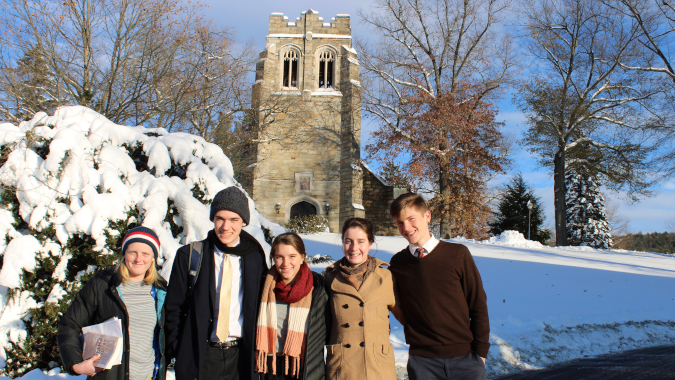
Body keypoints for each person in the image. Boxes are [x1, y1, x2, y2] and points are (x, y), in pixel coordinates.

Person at [164, 186, 268, 380]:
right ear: (213, 218)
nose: (225, 227)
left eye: (234, 220)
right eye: (220, 218)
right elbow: (173, 308)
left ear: (244, 222)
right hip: (201, 356)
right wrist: (178, 349)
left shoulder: (254, 258)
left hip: (241, 358)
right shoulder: (190, 256)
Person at [388, 193, 490, 380]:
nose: (406, 228)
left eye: (411, 219)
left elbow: (478, 304)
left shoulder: (458, 254)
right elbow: (397, 306)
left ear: (427, 216)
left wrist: (481, 353)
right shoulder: (398, 263)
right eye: (400, 223)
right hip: (423, 363)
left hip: (465, 359)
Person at [57, 226, 168, 380]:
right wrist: (75, 364)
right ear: (124, 254)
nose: (138, 259)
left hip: (148, 376)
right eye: (132, 252)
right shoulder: (102, 285)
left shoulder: (161, 290)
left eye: (145, 254)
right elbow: (69, 324)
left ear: (153, 257)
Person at [324, 217, 401, 380]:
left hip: (378, 367)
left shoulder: (386, 277)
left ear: (370, 243)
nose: (354, 248)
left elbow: (408, 319)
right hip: (342, 366)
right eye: (348, 241)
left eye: (361, 241)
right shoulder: (329, 278)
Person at [255, 232, 328, 380]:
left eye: (292, 256)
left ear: (302, 258)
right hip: (267, 367)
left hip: (303, 367)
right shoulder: (263, 287)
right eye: (279, 257)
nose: (285, 263)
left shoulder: (318, 289)